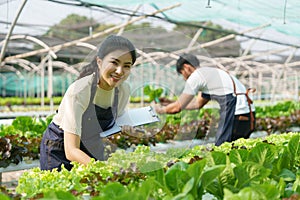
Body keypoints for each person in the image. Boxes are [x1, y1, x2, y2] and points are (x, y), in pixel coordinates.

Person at [40, 35, 137, 171]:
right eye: (114, 63)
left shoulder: (123, 90)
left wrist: (126, 128)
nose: (120, 71)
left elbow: (117, 120)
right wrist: (104, 169)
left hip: (90, 143)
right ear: (99, 62)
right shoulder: (79, 91)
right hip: (61, 148)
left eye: (126, 66)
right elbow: (71, 150)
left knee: (93, 189)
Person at [154, 53, 256, 146]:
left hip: (235, 117)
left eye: (182, 73)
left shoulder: (196, 77)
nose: (184, 78)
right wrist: (169, 102)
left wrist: (161, 110)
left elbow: (177, 108)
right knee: (236, 152)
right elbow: (197, 103)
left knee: (221, 151)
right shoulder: (209, 73)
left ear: (186, 67)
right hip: (248, 117)